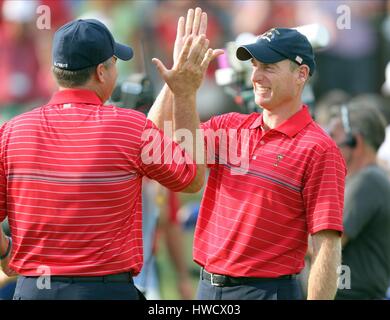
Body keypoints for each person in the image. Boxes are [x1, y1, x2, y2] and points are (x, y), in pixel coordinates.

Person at [0, 17, 217, 299]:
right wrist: (185, 93)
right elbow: (190, 177)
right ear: (102, 72)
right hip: (107, 291)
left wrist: (6, 254)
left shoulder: (12, 132)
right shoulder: (129, 127)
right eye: (115, 62)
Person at [148, 8, 346, 300]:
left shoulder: (319, 149)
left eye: (269, 66)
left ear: (301, 74)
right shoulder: (229, 126)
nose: (257, 75)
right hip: (208, 289)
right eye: (255, 65)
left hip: (266, 292)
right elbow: (153, 143)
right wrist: (177, 84)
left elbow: (326, 246)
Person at [326, 100, 390, 300]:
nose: (328, 144)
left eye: (333, 137)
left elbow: (327, 246)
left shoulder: (367, 181)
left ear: (356, 141)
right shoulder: (362, 180)